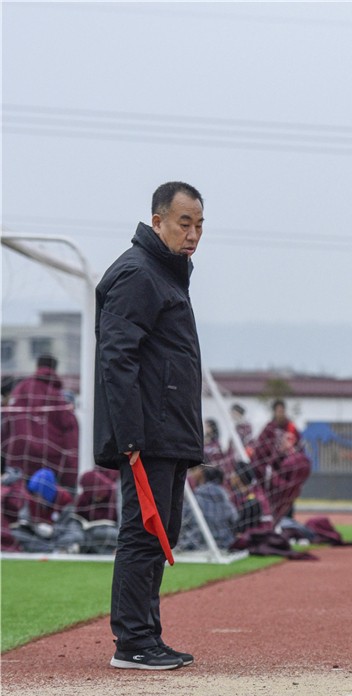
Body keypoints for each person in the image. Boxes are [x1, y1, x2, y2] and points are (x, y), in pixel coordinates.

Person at [94, 180, 205, 670]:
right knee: (143, 531)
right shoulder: (139, 273)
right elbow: (117, 357)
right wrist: (131, 436)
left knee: (163, 532)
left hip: (169, 429)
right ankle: (132, 643)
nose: (194, 234)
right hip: (147, 433)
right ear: (157, 220)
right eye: (184, 223)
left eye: (200, 225)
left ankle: (147, 637)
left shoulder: (166, 275)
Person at [0, 354, 79, 490]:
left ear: (37, 366)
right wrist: (71, 472)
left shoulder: (20, 390)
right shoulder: (58, 396)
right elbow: (70, 432)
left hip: (18, 459)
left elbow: (6, 424)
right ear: (55, 369)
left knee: (20, 503)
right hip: (51, 461)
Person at [249, 399, 312, 525]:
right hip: (272, 472)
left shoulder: (291, 428)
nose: (281, 413)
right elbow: (260, 450)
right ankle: (274, 521)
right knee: (272, 498)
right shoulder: (269, 428)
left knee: (288, 497)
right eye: (278, 411)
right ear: (274, 412)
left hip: (288, 472)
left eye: (282, 411)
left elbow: (299, 448)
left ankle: (288, 521)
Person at [179, 464, 237, 551]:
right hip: (224, 542)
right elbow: (234, 518)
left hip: (196, 543)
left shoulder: (196, 497)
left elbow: (183, 519)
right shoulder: (225, 498)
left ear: (203, 477)